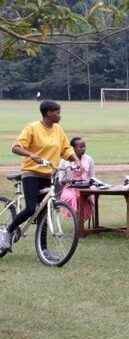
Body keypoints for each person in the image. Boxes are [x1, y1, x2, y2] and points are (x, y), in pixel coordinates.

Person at [0, 100, 82, 253]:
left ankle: (43, 250)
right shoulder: (32, 128)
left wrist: (77, 161)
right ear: (49, 113)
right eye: (58, 112)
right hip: (31, 173)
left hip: (48, 175)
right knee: (31, 208)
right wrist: (31, 154)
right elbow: (16, 147)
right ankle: (7, 231)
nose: (60, 116)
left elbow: (66, 150)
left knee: (44, 213)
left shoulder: (58, 129)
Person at [58, 137, 96, 221]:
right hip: (69, 189)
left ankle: (79, 223)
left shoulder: (89, 159)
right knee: (73, 198)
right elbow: (61, 181)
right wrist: (69, 181)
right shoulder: (64, 161)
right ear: (73, 148)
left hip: (85, 190)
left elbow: (92, 178)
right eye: (81, 147)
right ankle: (77, 222)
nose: (83, 149)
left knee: (81, 198)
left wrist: (89, 183)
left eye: (84, 146)